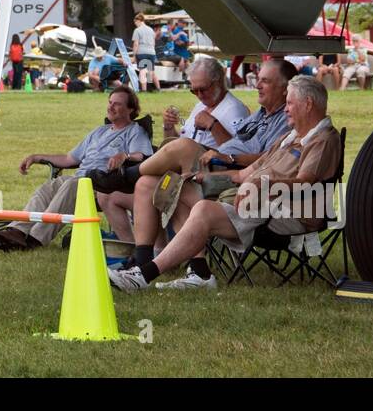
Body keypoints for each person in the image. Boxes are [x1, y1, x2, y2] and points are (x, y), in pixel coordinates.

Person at [109, 75, 341, 291]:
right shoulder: (288, 137)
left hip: (287, 213)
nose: (286, 109)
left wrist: (261, 184)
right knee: (179, 185)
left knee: (203, 210)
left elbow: (305, 183)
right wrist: (207, 177)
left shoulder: (323, 139)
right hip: (256, 200)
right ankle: (199, 273)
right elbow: (244, 174)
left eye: (290, 103)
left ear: (308, 104)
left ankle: (143, 276)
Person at [91, 58, 263, 281]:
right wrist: (168, 128)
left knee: (179, 163)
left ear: (219, 81)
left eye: (203, 89)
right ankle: (144, 258)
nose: (199, 95)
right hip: (185, 173)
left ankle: (129, 174)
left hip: (215, 176)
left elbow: (235, 154)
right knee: (146, 184)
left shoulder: (234, 109)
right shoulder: (201, 106)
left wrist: (213, 124)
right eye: (193, 90)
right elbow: (173, 147)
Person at [0, 87, 153, 250]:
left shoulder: (134, 131)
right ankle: (17, 230)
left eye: (117, 104)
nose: (110, 107)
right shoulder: (99, 131)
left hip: (104, 184)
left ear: (131, 109)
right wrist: (36, 157)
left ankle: (34, 239)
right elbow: (69, 159)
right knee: (50, 186)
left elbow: (144, 156)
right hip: (79, 179)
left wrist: (125, 155)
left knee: (72, 185)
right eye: (110, 102)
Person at [132, 13, 157, 92]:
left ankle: (144, 90)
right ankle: (151, 88)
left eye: (135, 22)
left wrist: (134, 55)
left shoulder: (137, 30)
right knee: (150, 71)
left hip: (142, 52)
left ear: (138, 20)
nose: (135, 24)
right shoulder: (151, 30)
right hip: (151, 52)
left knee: (142, 71)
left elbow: (136, 44)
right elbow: (154, 43)